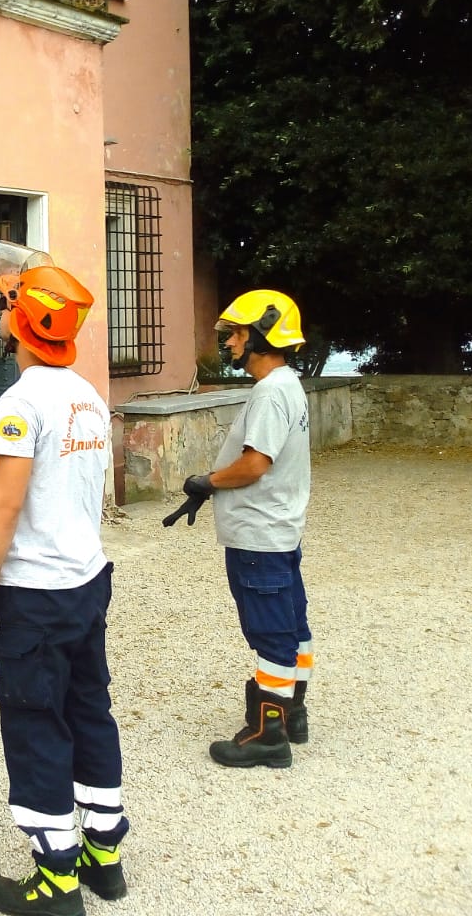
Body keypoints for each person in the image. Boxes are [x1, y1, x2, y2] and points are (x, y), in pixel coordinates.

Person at [0, 251, 129, 916]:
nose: (1, 308)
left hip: (35, 594)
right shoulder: (88, 395)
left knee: (35, 721)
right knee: (90, 708)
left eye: (8, 303)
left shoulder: (20, 401)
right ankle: (103, 854)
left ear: (19, 325)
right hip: (87, 581)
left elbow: (4, 504)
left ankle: (56, 878)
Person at [178, 289, 312, 768]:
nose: (229, 342)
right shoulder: (287, 385)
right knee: (292, 624)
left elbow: (255, 464)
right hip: (278, 530)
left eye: (235, 333)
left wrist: (207, 481)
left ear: (263, 333)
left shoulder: (271, 393)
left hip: (259, 536)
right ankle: (292, 712)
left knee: (272, 632)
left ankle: (266, 735)